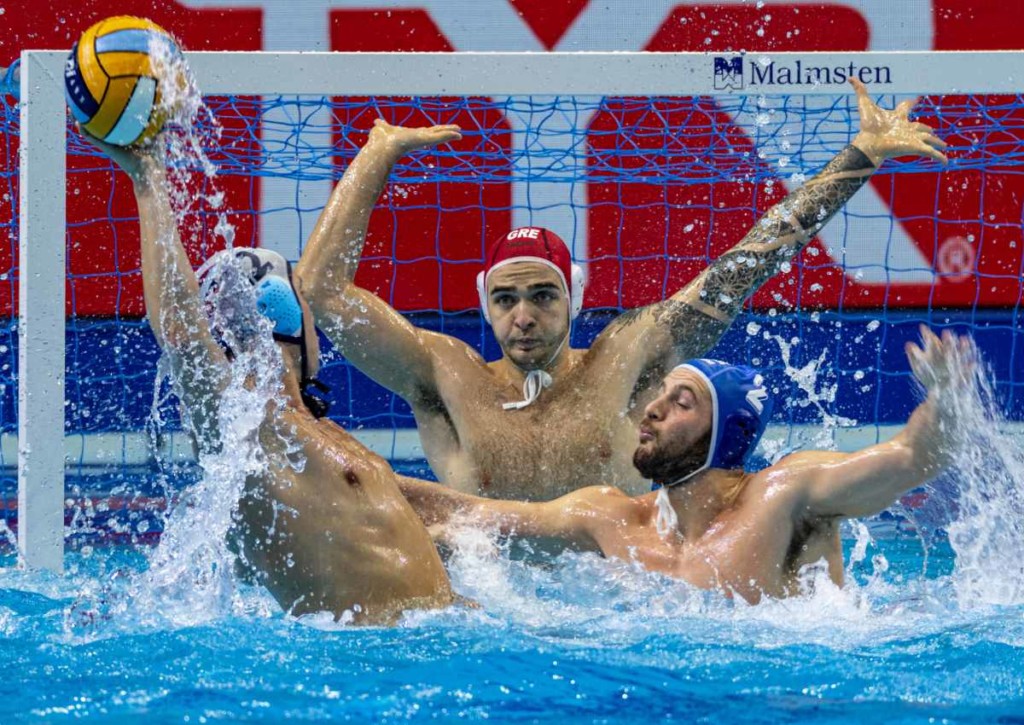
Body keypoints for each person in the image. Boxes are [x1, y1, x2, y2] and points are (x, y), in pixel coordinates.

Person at [296, 79, 948, 501]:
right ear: (486, 303)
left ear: (573, 298)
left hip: (620, 608)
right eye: (505, 299)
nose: (524, 316)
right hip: (489, 612)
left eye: (544, 296)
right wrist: (376, 155)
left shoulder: (626, 357)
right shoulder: (443, 372)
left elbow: (746, 264)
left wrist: (860, 157)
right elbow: (321, 292)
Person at [89, 135, 454, 625]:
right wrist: (148, 176)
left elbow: (443, 515)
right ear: (293, 320)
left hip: (426, 634)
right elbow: (180, 331)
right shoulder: (246, 429)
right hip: (370, 654)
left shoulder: (315, 436)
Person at [399, 327, 973, 603]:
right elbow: (463, 513)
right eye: (660, 394)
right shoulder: (612, 518)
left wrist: (946, 397)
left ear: (726, 434)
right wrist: (351, 467)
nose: (651, 408)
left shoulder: (786, 496)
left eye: (682, 402)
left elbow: (913, 456)